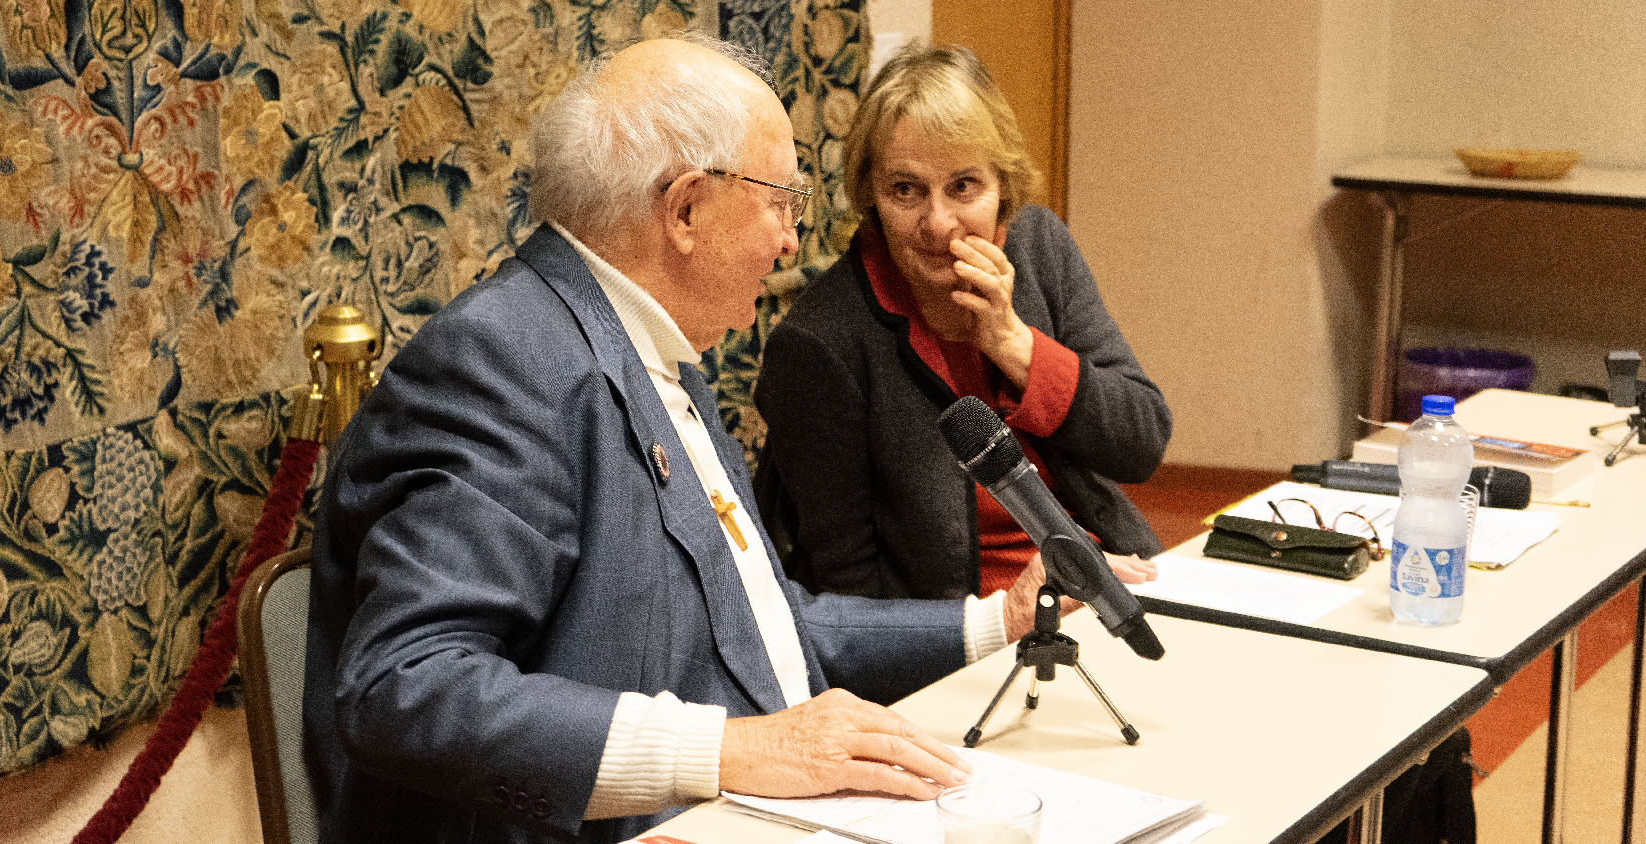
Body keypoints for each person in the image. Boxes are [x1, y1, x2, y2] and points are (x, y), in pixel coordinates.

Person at [304, 34, 1069, 844]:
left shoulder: (652, 348)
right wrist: (731, 750)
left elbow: (758, 625)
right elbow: (406, 686)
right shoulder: (503, 359)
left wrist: (997, 624)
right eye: (781, 202)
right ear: (687, 209)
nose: (788, 241)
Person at [754, 44, 1172, 601]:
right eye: (906, 189)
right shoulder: (820, 342)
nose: (939, 223)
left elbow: (1141, 443)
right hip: (973, 631)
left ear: (1003, 186)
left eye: (963, 187)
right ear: (871, 195)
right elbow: (847, 594)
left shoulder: (1038, 246)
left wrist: (1016, 346)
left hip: (1113, 578)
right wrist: (992, 627)